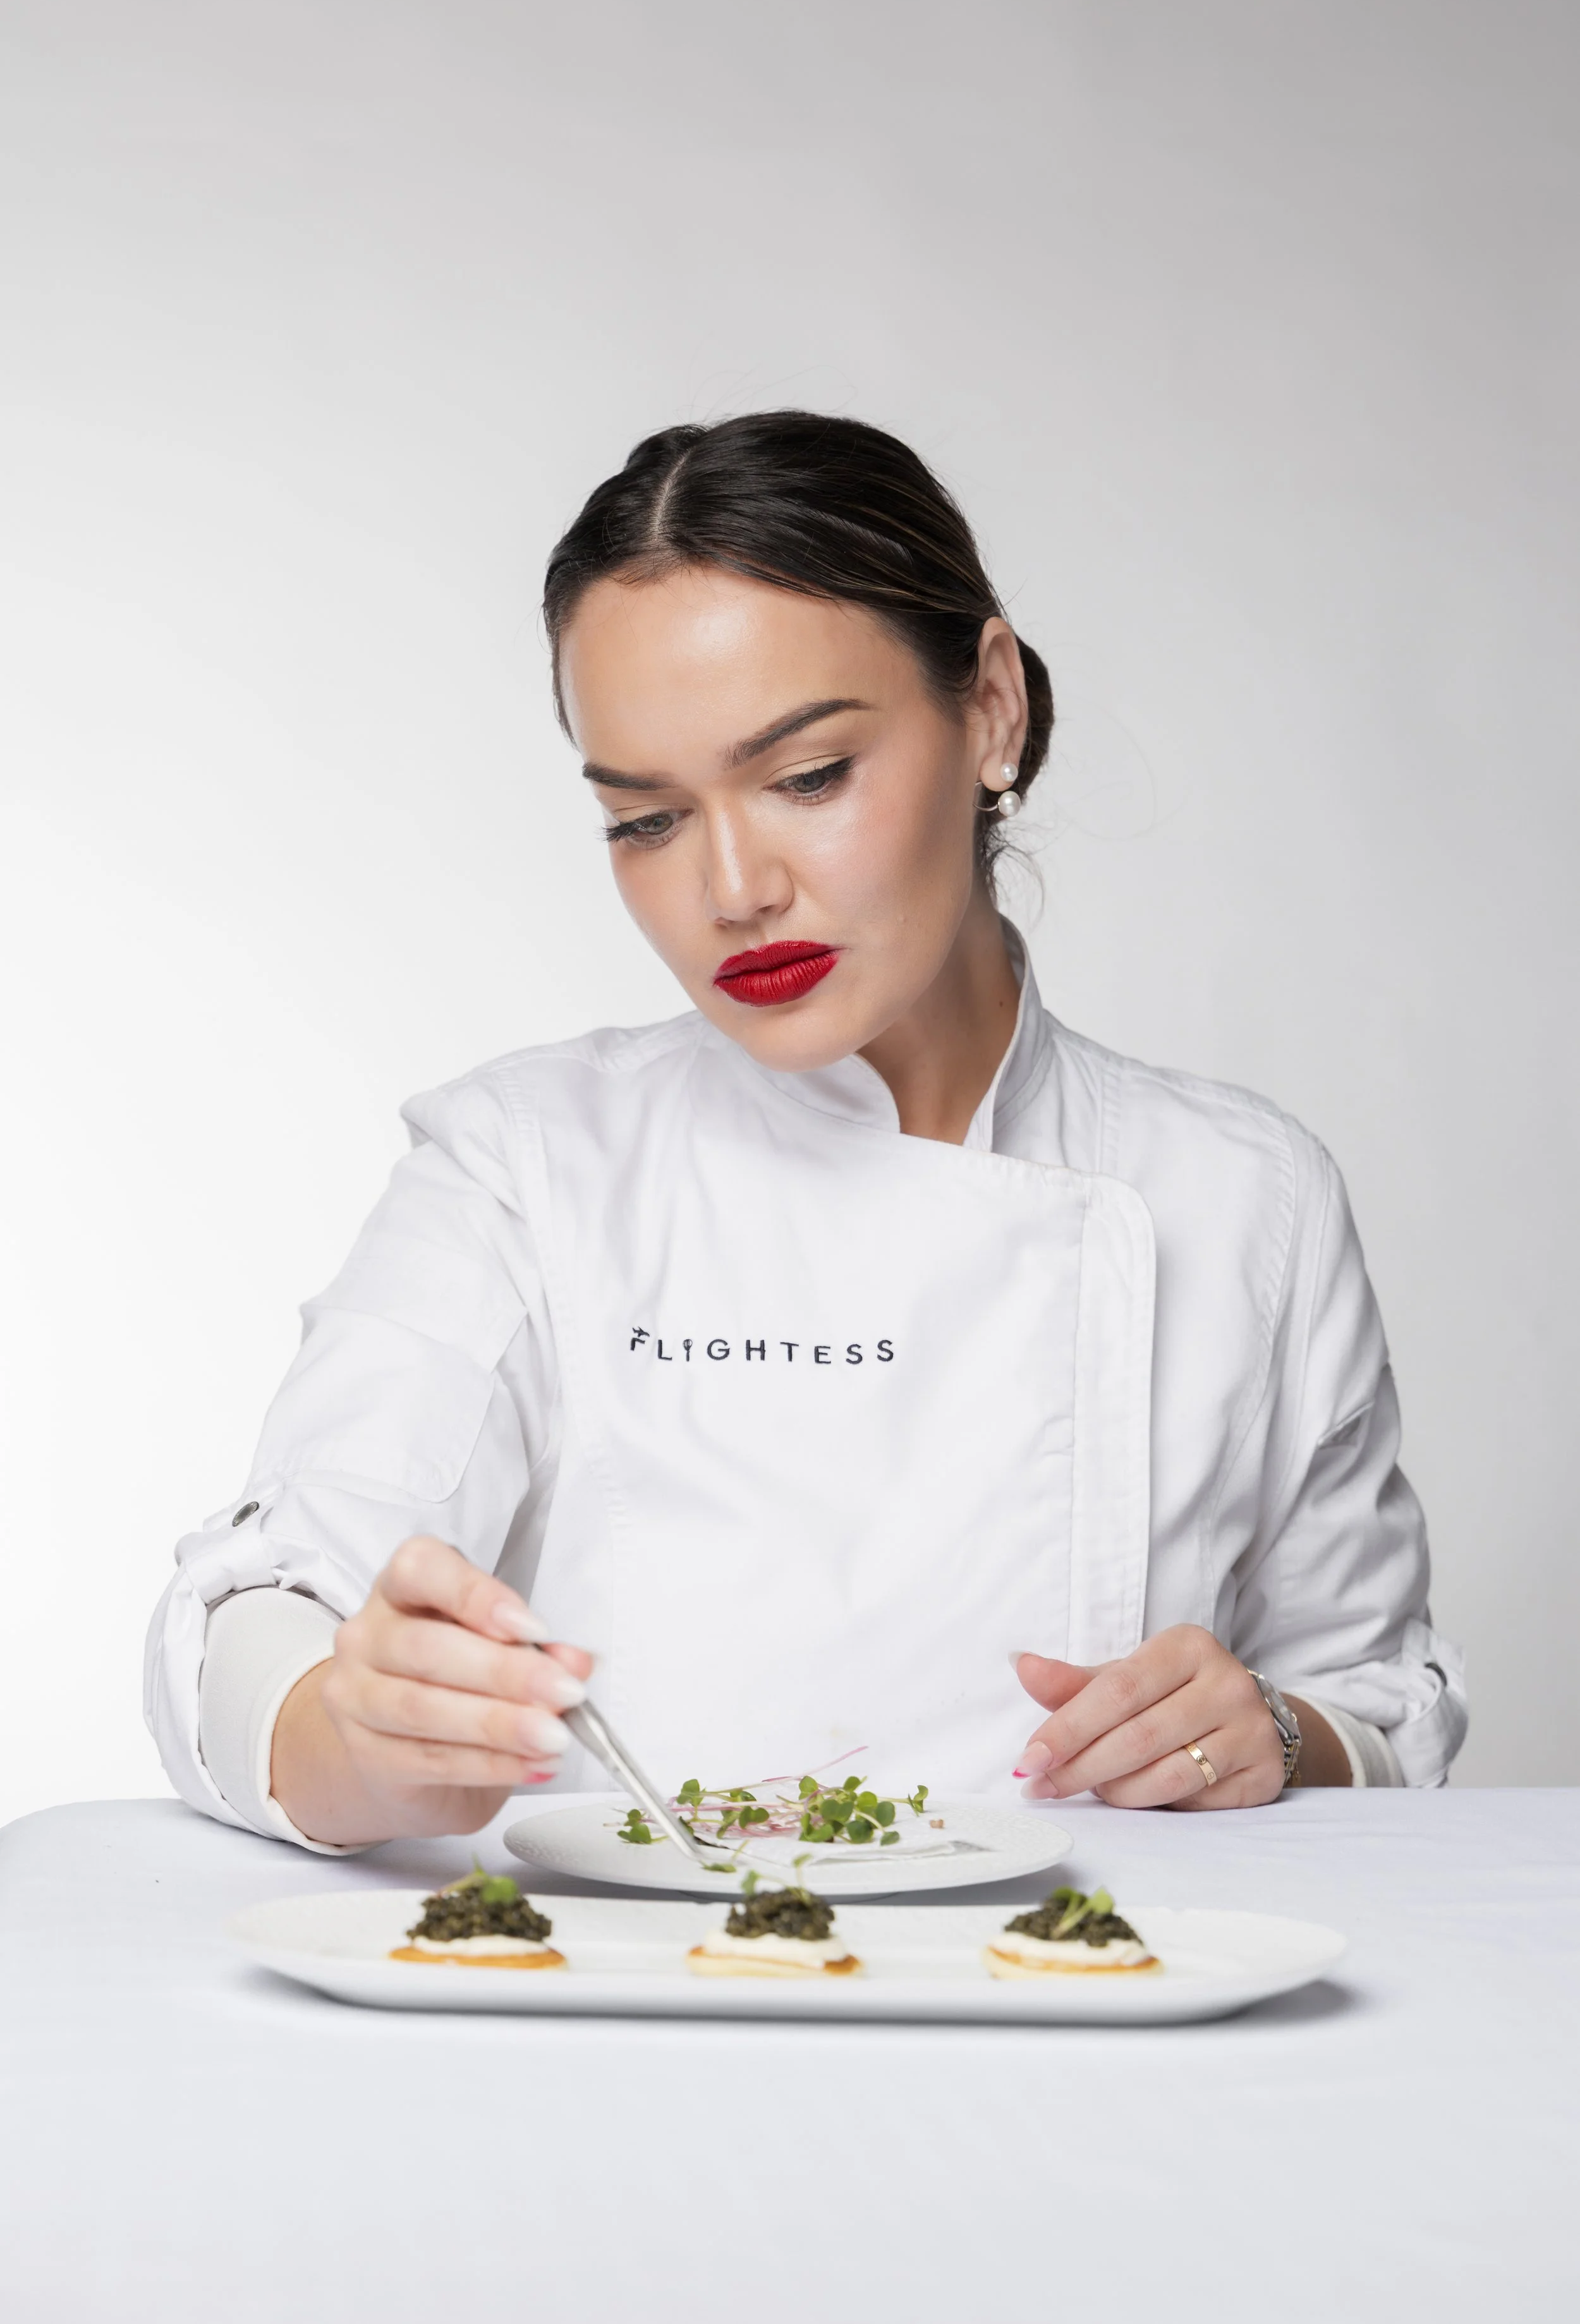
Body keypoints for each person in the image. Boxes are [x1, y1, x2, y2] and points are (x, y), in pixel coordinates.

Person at [145, 412, 1466, 1852]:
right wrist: (342, 1728)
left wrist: (1270, 1732)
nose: (728, 886)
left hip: (1083, 2015)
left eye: (807, 777)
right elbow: (255, 1602)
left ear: (991, 710)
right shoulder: (528, 1161)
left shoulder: (1241, 1194)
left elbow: (1378, 1702)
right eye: (644, 819)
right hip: (632, 2013)